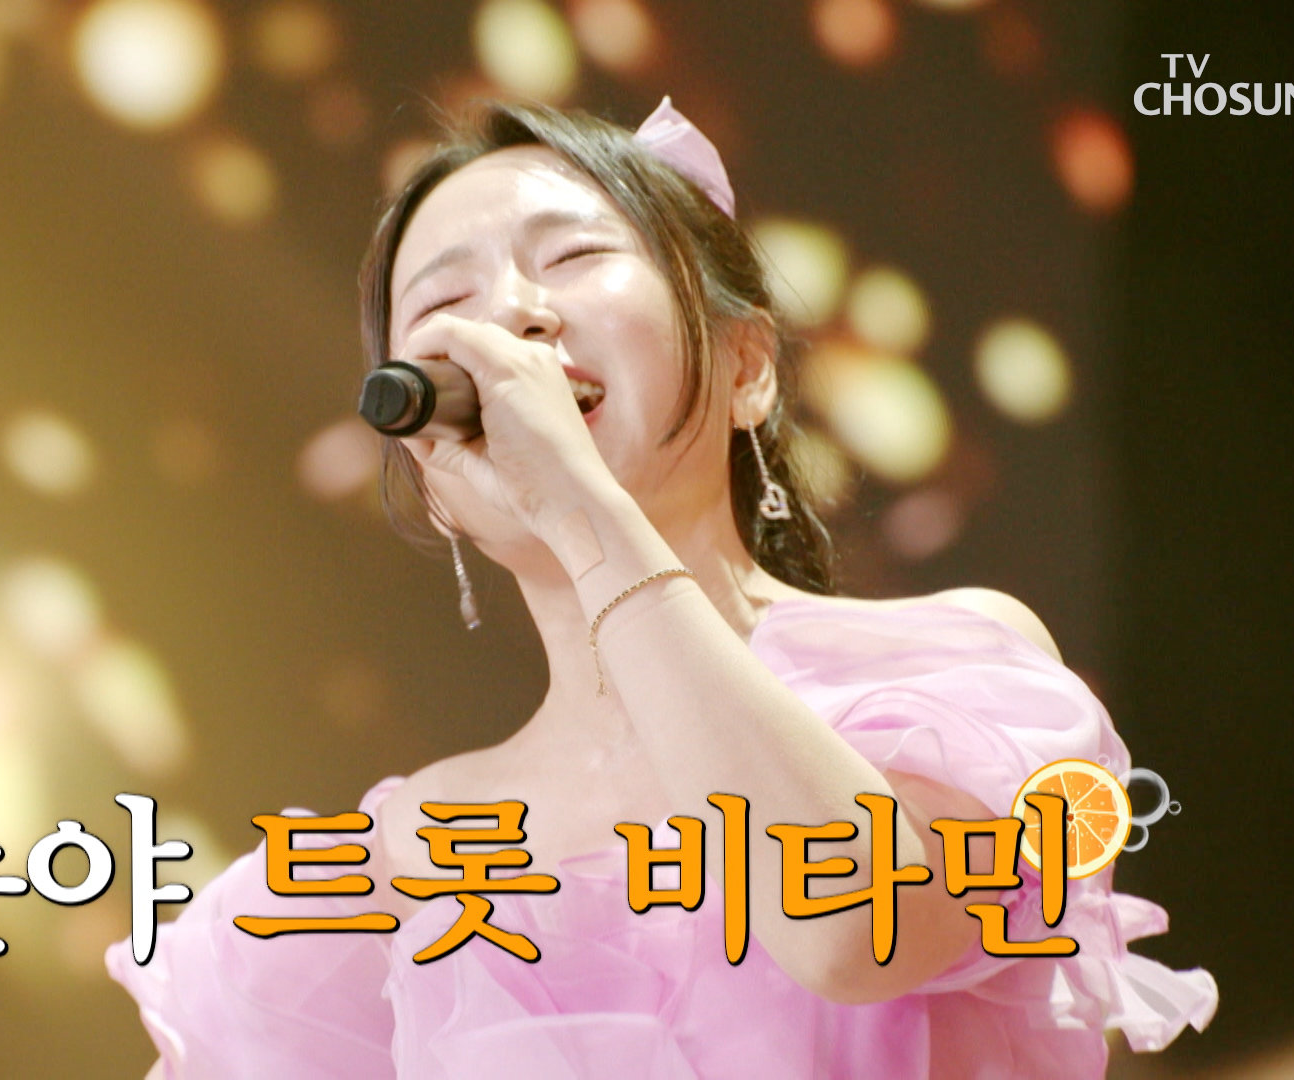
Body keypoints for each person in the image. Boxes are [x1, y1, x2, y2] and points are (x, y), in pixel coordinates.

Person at [107, 98, 1219, 1078]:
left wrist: (586, 513)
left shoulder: (946, 673)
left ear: (747, 368)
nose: (510, 320)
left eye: (571, 257)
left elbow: (853, 929)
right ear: (432, 476)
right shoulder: (405, 856)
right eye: (446, 301)